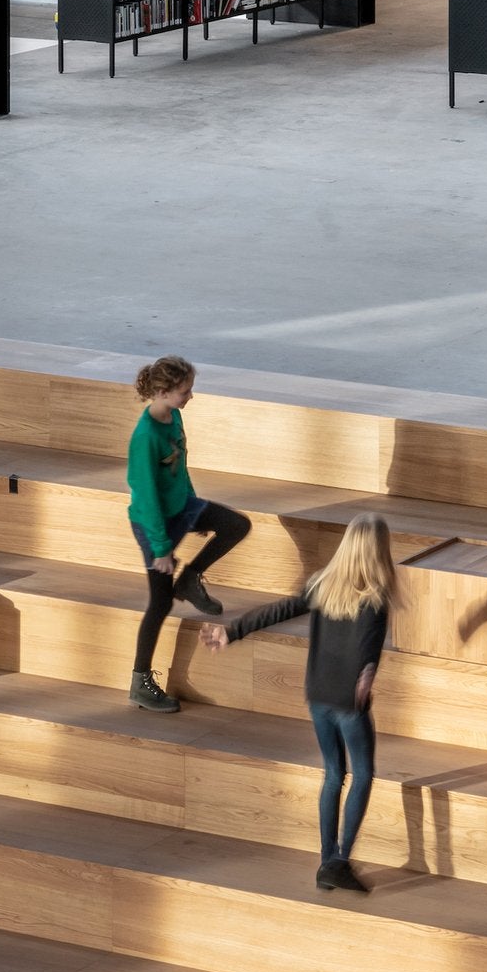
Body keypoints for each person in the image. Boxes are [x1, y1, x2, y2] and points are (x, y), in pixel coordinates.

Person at [203, 511, 395, 891]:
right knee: (363, 775)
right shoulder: (375, 597)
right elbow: (368, 645)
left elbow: (280, 609)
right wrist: (366, 674)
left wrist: (233, 631)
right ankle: (339, 863)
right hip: (348, 700)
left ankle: (327, 860)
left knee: (333, 775)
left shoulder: (322, 586)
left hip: (318, 696)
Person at [126, 352, 252, 712]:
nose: (190, 397)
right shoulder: (145, 436)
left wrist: (194, 505)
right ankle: (140, 682)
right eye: (185, 391)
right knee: (160, 603)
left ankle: (190, 578)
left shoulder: (174, 416)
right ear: (164, 391)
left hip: (181, 507)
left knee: (235, 525)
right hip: (155, 524)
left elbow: (179, 466)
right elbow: (146, 494)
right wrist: (162, 548)